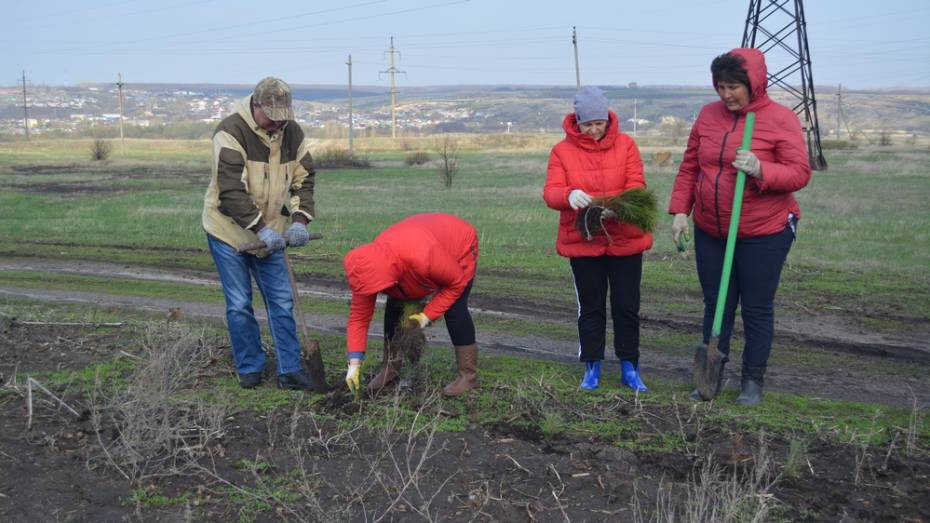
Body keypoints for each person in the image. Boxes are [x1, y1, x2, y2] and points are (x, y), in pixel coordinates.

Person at [668, 49, 812, 406]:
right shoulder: (708, 115)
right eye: (720, 86)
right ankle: (711, 378)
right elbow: (690, 167)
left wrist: (762, 169)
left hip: (764, 231)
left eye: (733, 87)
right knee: (716, 303)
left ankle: (752, 381)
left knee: (756, 306)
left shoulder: (780, 119)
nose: (725, 94)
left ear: (754, 84)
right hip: (711, 229)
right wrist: (680, 211)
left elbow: (799, 172)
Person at [202, 77, 319, 391]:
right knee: (240, 304)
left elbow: (304, 180)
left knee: (281, 301)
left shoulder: (292, 132)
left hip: (273, 233)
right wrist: (260, 230)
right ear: (256, 105)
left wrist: (300, 221)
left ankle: (289, 369)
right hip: (229, 232)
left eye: (283, 114)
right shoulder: (230, 132)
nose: (278, 121)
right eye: (272, 114)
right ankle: (250, 366)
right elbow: (230, 190)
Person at [544, 86, 653, 392]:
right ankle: (592, 366)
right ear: (577, 122)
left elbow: (637, 185)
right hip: (584, 241)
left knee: (626, 305)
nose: (594, 130)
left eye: (599, 123)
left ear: (607, 119)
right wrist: (569, 194)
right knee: (591, 307)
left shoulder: (628, 146)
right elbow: (551, 192)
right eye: (587, 124)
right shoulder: (561, 152)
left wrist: (613, 207)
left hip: (625, 239)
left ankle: (630, 366)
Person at [342, 213, 479, 397]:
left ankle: (467, 376)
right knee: (395, 306)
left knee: (455, 309)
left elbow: (456, 284)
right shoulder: (365, 267)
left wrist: (426, 316)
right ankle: (390, 369)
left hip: (457, 244)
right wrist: (354, 363)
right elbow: (358, 319)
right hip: (415, 242)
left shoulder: (424, 258)